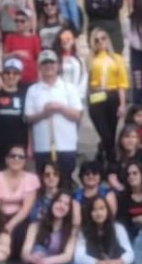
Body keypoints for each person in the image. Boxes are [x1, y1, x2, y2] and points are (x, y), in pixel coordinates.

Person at [25, 49, 83, 184]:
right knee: (44, 183)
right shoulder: (33, 90)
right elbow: (28, 118)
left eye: (52, 63)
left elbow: (78, 115)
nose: (48, 66)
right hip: (42, 146)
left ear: (58, 65)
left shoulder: (69, 88)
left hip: (66, 145)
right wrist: (44, 113)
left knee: (66, 182)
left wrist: (60, 108)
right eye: (44, 63)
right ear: (39, 67)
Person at [19, 192, 81, 264]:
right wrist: (33, 258)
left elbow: (67, 256)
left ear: (69, 210)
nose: (61, 206)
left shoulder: (71, 230)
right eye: (59, 201)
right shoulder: (36, 225)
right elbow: (24, 253)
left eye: (66, 204)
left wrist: (48, 261)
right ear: (52, 203)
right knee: (38, 249)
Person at [75, 195, 135, 264]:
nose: (98, 213)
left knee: (117, 248)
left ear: (107, 210)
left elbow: (129, 253)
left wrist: (117, 262)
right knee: (93, 250)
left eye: (102, 208)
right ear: (89, 213)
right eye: (94, 210)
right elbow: (79, 257)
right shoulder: (83, 231)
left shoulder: (117, 227)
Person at [0, 148, 39, 258]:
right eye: (13, 156)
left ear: (25, 161)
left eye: (21, 157)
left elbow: (26, 208)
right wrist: (3, 225)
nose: (16, 159)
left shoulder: (31, 179)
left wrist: (10, 225)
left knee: (19, 238)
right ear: (7, 159)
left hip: (21, 216)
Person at [87, 29, 129, 162]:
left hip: (112, 95)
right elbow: (88, 81)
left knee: (111, 132)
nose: (100, 42)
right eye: (96, 40)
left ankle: (107, 157)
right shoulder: (91, 59)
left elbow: (122, 83)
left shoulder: (117, 59)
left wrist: (122, 104)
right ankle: (106, 153)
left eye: (103, 38)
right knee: (104, 132)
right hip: (97, 96)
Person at [117, 161, 142, 239]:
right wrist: (134, 220)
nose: (131, 176)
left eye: (135, 173)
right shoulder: (122, 197)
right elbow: (122, 221)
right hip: (132, 235)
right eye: (128, 174)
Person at [2, 9, 42, 87]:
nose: (19, 23)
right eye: (16, 21)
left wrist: (39, 78)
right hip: (14, 78)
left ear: (29, 22)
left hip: (31, 77)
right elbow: (4, 58)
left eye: (22, 21)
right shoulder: (10, 37)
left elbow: (39, 60)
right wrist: (15, 53)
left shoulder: (35, 39)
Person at [54, 27, 87, 95]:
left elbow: (84, 78)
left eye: (68, 38)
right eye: (63, 39)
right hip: (60, 94)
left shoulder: (80, 59)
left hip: (76, 94)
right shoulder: (56, 59)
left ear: (73, 40)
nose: (65, 41)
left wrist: (78, 95)